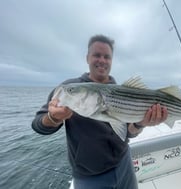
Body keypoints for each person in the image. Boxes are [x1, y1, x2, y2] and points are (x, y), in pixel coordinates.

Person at [32, 34, 168, 189]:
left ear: (111, 60)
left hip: (124, 164)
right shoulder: (69, 88)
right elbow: (38, 125)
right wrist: (53, 118)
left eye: (107, 57)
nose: (102, 60)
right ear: (87, 58)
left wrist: (140, 124)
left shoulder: (119, 89)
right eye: (97, 55)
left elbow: (127, 132)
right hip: (89, 178)